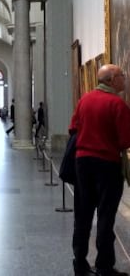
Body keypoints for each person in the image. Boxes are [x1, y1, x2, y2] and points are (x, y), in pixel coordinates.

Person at [69, 64, 130, 276]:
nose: (125, 78)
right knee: (106, 215)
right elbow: (125, 140)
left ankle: (80, 263)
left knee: (83, 214)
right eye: (122, 75)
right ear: (112, 80)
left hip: (82, 163)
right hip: (107, 164)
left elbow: (73, 128)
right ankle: (104, 265)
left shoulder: (85, 99)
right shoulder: (117, 104)